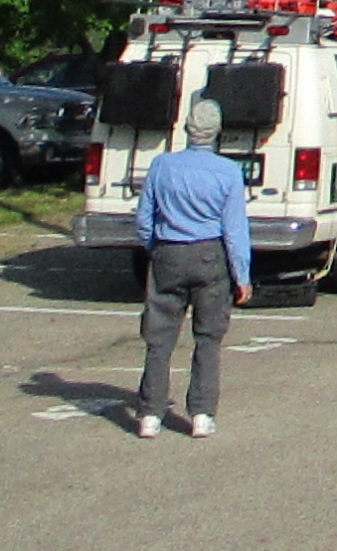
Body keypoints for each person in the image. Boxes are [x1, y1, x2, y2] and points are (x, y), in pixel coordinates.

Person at [133, 96, 252, 440]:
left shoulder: (161, 166)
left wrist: (155, 247)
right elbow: (235, 229)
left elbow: (144, 220)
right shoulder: (228, 172)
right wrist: (242, 275)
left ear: (187, 128)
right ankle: (201, 413)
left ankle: (150, 414)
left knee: (158, 337)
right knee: (208, 337)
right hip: (210, 255)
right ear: (217, 132)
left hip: (168, 250)